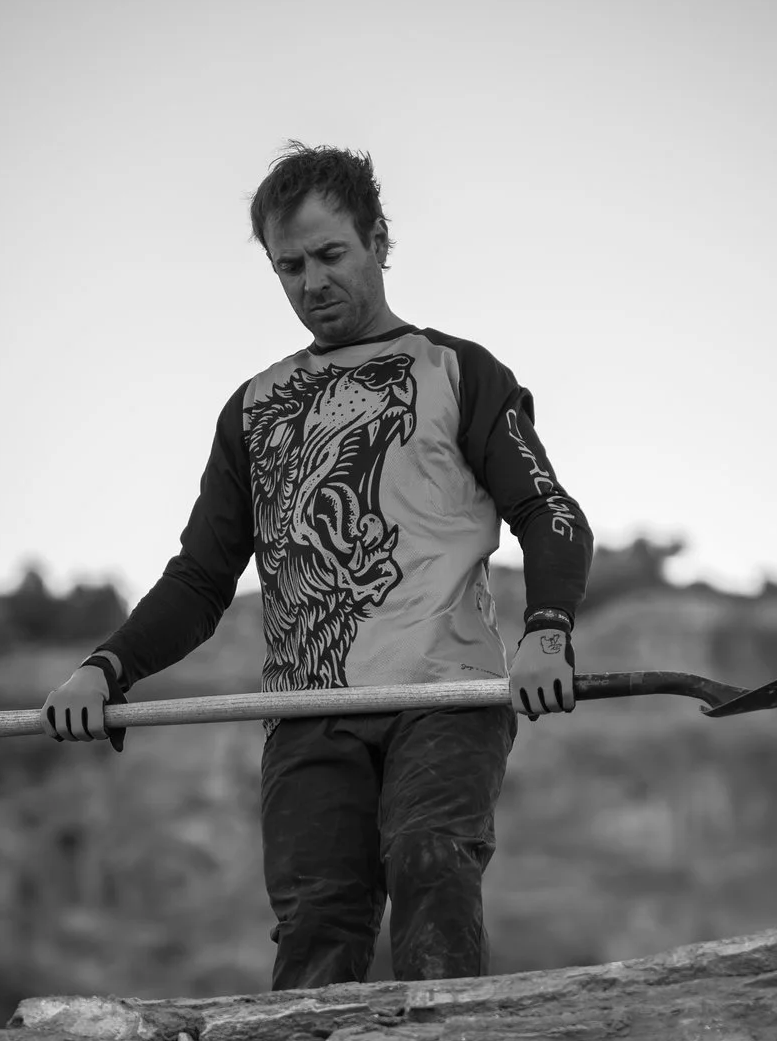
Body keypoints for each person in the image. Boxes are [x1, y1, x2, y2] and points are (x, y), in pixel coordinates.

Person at [42, 144, 594, 989]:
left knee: (429, 859)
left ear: (379, 240)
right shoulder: (254, 407)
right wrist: (104, 667)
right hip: (307, 707)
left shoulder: (458, 371)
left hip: (446, 693)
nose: (311, 283)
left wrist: (548, 631)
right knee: (317, 920)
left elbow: (548, 512)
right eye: (288, 266)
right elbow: (199, 579)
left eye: (331, 255)